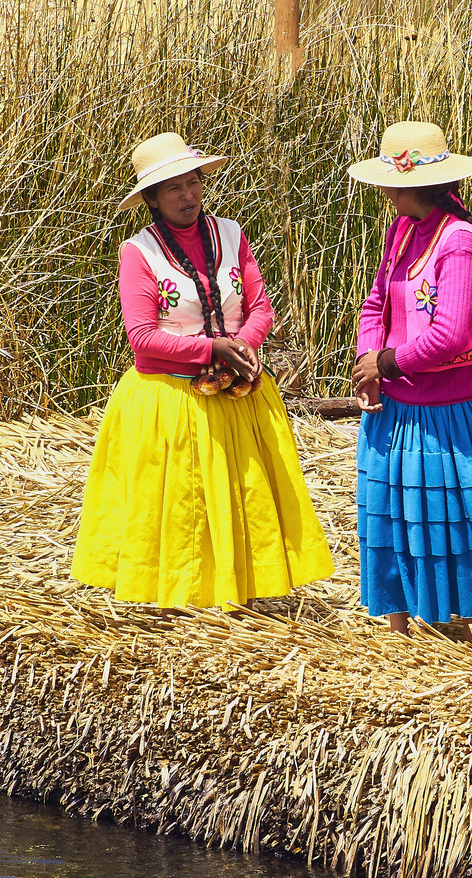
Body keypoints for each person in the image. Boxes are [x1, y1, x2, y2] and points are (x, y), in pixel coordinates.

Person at [71, 132, 333, 612]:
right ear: (151, 199)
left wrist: (243, 348)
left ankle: (242, 587)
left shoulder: (231, 234)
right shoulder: (140, 253)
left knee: (245, 490)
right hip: (171, 400)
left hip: (238, 392)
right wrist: (212, 349)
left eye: (192, 182)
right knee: (182, 501)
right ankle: (180, 594)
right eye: (172, 188)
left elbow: (261, 308)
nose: (187, 194)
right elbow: (143, 338)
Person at [347, 121, 472, 638]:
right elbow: (375, 304)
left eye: (390, 179)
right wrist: (369, 364)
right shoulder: (402, 230)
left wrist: (385, 364)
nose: (383, 190)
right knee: (400, 517)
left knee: (457, 516)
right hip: (400, 405)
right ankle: (400, 628)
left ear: (414, 185)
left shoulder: (459, 243)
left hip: (453, 410)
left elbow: (449, 334)